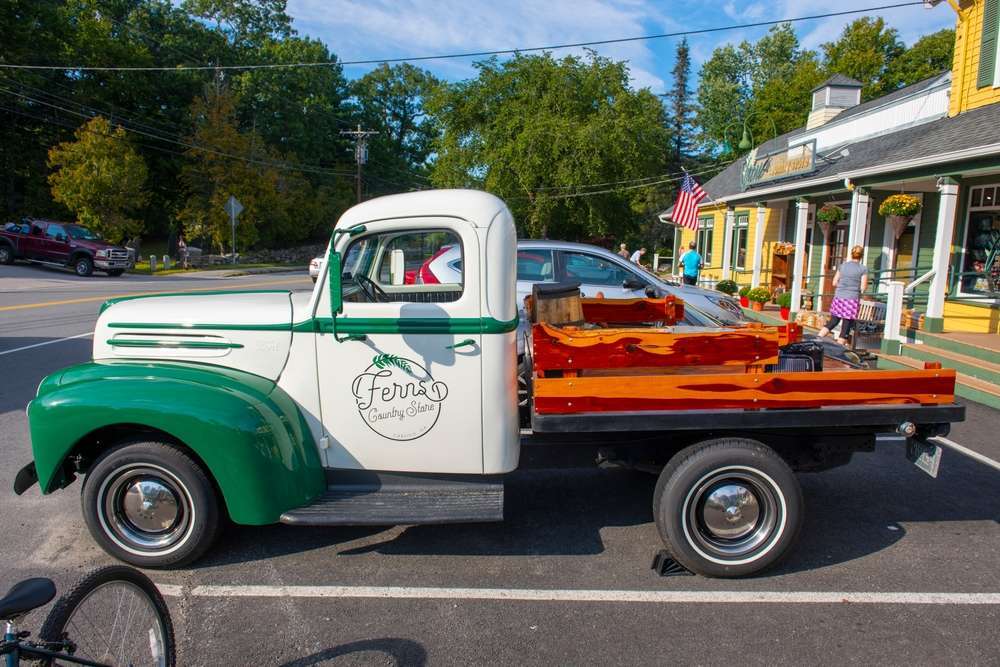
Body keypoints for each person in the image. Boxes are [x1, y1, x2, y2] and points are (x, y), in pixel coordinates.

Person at [818, 245, 868, 346]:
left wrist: (843, 286)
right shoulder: (863, 269)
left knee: (833, 321)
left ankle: (817, 339)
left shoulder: (843, 266)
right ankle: (839, 349)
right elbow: (863, 287)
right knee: (846, 325)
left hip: (839, 297)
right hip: (851, 299)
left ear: (851, 254)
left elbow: (834, 282)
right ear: (861, 256)